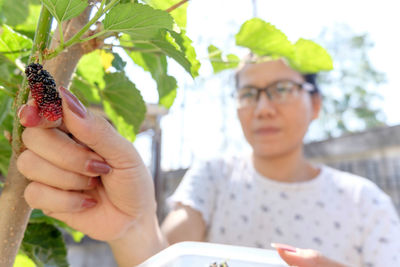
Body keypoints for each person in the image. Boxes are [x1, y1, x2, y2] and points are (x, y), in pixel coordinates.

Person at [17, 59, 400, 267]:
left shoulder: (365, 202)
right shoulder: (213, 176)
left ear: (315, 104)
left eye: (282, 89)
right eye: (249, 93)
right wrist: (131, 227)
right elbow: (165, 260)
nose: (263, 108)